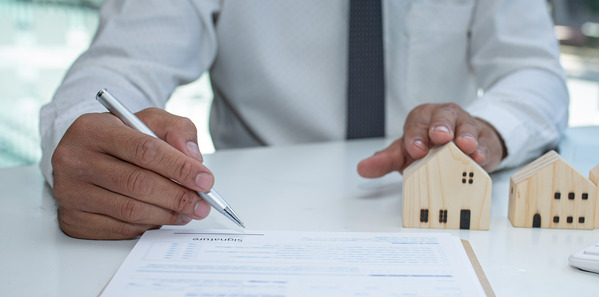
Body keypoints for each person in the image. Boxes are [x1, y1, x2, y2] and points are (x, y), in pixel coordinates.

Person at [40, 0, 569, 240]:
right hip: (255, 213)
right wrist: (87, 135)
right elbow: (122, 64)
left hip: (432, 217)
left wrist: (488, 130)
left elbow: (535, 71)